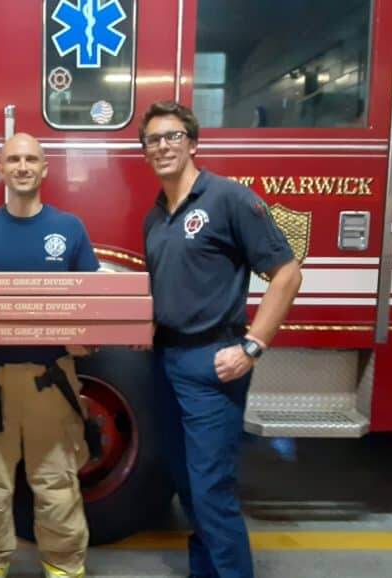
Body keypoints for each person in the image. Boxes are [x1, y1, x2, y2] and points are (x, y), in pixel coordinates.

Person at [139, 101, 302, 578]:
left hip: (214, 361)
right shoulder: (155, 217)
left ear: (193, 143)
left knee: (212, 491)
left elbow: (287, 274)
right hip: (165, 360)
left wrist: (253, 346)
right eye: (153, 140)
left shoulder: (228, 198)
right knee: (187, 485)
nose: (163, 146)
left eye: (173, 137)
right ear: (145, 151)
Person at [0, 133, 99, 578]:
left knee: (57, 486)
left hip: (50, 380)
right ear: (0, 167)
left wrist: (89, 338)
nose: (21, 166)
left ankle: (64, 568)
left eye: (30, 159)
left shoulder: (70, 229)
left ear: (44, 167)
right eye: (13, 159)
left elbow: (92, 303)